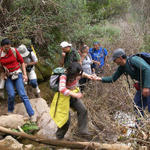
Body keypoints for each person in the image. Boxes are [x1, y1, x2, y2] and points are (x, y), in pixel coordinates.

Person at [50, 62, 97, 140]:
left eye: (79, 74)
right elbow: (62, 89)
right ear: (72, 73)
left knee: (83, 110)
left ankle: (83, 131)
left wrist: (89, 76)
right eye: (76, 75)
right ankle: (58, 137)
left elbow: (82, 74)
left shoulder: (77, 73)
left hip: (72, 96)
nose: (78, 77)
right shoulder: (63, 76)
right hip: (62, 98)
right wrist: (75, 94)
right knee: (66, 120)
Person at [98, 48, 150, 119]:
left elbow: (147, 69)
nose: (114, 61)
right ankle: (139, 124)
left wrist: (146, 87)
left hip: (147, 84)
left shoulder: (133, 60)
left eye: (114, 59)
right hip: (143, 85)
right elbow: (113, 78)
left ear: (120, 58)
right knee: (137, 105)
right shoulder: (122, 67)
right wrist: (99, 79)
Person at [0, 38, 34, 118]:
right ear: (2, 47)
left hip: (17, 73)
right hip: (8, 76)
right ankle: (10, 111)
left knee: (22, 94)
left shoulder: (14, 51)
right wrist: (3, 74)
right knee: (11, 95)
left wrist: (25, 75)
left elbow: (22, 62)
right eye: (6, 48)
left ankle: (31, 114)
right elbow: (0, 67)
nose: (8, 49)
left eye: (9, 47)